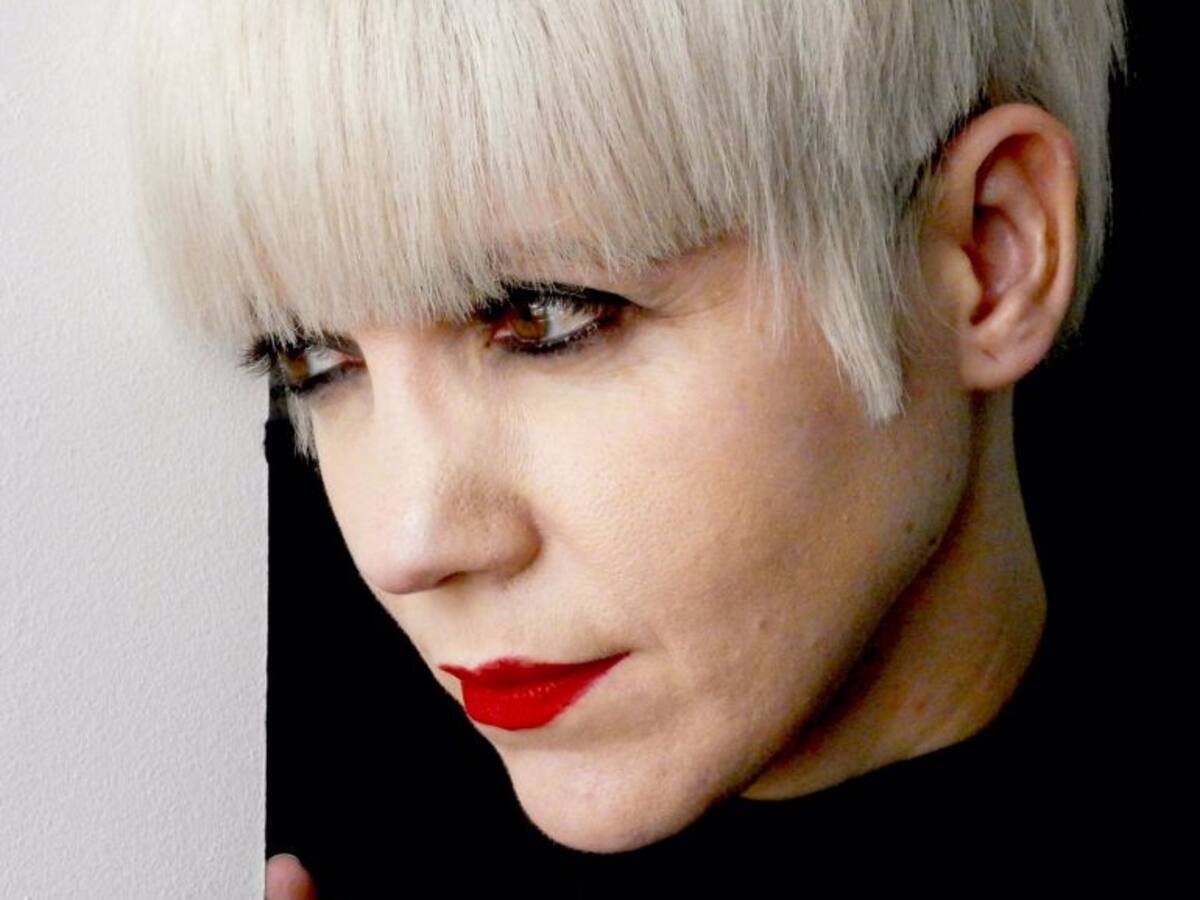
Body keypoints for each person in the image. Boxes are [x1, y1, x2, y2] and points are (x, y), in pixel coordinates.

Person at [128, 1, 1128, 895]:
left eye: (545, 316)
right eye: (309, 359)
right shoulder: (246, 824)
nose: (405, 545)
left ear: (992, 255)